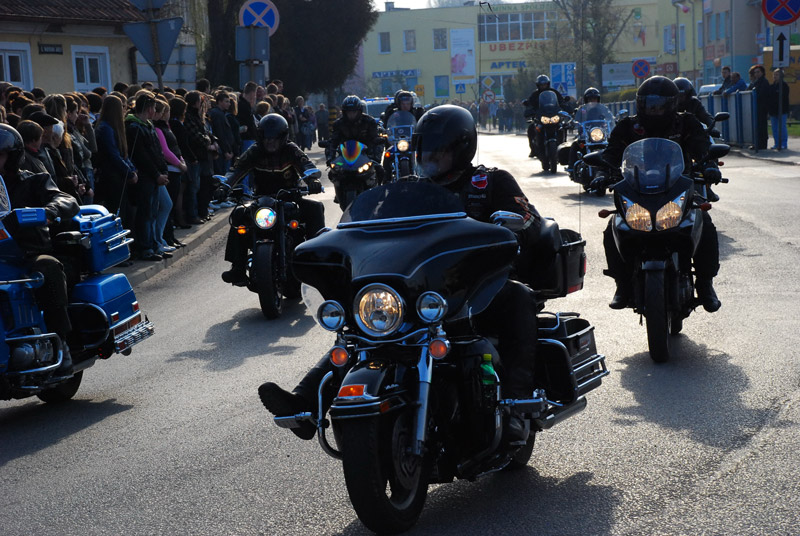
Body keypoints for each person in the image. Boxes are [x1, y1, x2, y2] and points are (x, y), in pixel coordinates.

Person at [258, 105, 543, 443]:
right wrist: (339, 236)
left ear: (461, 148)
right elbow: (367, 224)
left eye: (438, 149)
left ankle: (517, 404)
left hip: (476, 288)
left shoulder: (490, 181)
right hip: (419, 290)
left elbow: (528, 217)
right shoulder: (407, 189)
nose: (429, 156)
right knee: (360, 330)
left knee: (518, 296)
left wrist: (511, 223)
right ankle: (305, 402)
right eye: (425, 148)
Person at [597, 76, 722, 313]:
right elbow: (612, 151)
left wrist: (709, 165)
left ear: (672, 104)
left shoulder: (685, 123)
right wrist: (603, 171)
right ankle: (622, 284)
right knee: (613, 227)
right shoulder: (628, 127)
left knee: (704, 223)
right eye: (649, 104)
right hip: (637, 189)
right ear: (640, 104)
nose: (654, 110)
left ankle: (705, 284)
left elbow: (702, 146)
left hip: (679, 187)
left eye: (659, 105)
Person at [0, 123, 80, 374]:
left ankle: (62, 343)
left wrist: (50, 210)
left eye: (0, 155)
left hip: (28, 254)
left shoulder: (34, 180)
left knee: (48, 267)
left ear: (13, 156)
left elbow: (66, 199)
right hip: (1, 258)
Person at [219, 114, 324, 286]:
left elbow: (306, 164)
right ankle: (237, 267)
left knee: (315, 208)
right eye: (266, 138)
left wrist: (313, 180)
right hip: (262, 200)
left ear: (282, 137)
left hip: (290, 198)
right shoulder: (254, 151)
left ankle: (316, 259)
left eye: (274, 138)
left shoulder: (291, 150)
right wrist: (224, 187)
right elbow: (236, 170)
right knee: (238, 214)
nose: (270, 142)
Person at [125, 90, 169, 261]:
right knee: (145, 213)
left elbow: (157, 151)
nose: (154, 111)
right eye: (153, 108)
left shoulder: (148, 125)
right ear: (148, 108)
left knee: (152, 212)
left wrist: (163, 171)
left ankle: (154, 245)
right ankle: (145, 248)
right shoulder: (134, 127)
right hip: (145, 177)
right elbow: (142, 156)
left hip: (154, 176)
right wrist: (156, 174)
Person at [326, 95, 385, 193]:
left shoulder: (369, 121)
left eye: (354, 111)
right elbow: (333, 142)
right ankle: (339, 193)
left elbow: (375, 139)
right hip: (344, 157)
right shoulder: (338, 124)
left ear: (359, 111)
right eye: (349, 112)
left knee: (380, 170)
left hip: (365, 155)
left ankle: (377, 193)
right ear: (344, 112)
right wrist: (330, 157)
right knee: (332, 173)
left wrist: (375, 157)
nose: (351, 114)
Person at [524, 74, 566, 157]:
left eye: (545, 84)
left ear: (548, 84)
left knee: (562, 127)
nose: (543, 86)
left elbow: (561, 101)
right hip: (540, 117)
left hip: (553, 115)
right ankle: (533, 149)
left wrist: (565, 106)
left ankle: (563, 146)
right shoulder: (535, 94)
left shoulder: (554, 92)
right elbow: (530, 103)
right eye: (541, 85)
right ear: (538, 85)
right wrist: (529, 108)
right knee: (531, 128)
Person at [747, 64, 770, 151]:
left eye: (758, 72)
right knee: (756, 127)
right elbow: (748, 90)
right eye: (755, 72)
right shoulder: (755, 82)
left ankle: (762, 144)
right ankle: (756, 143)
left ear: (762, 72)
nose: (756, 74)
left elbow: (761, 95)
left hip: (762, 108)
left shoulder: (764, 82)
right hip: (755, 108)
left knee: (762, 127)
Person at [768, 68, 790, 150]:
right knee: (774, 128)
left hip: (782, 110)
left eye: (777, 75)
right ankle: (776, 143)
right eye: (774, 74)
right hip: (773, 110)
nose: (775, 76)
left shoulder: (784, 86)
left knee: (782, 127)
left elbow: (784, 97)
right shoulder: (772, 86)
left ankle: (784, 143)